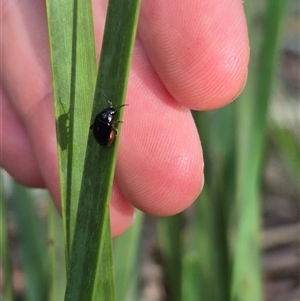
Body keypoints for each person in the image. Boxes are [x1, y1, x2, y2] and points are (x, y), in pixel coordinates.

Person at [0, 0, 249, 236]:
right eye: (113, 113)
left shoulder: (104, 118)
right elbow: (104, 125)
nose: (112, 113)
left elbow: (102, 123)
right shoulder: (107, 119)